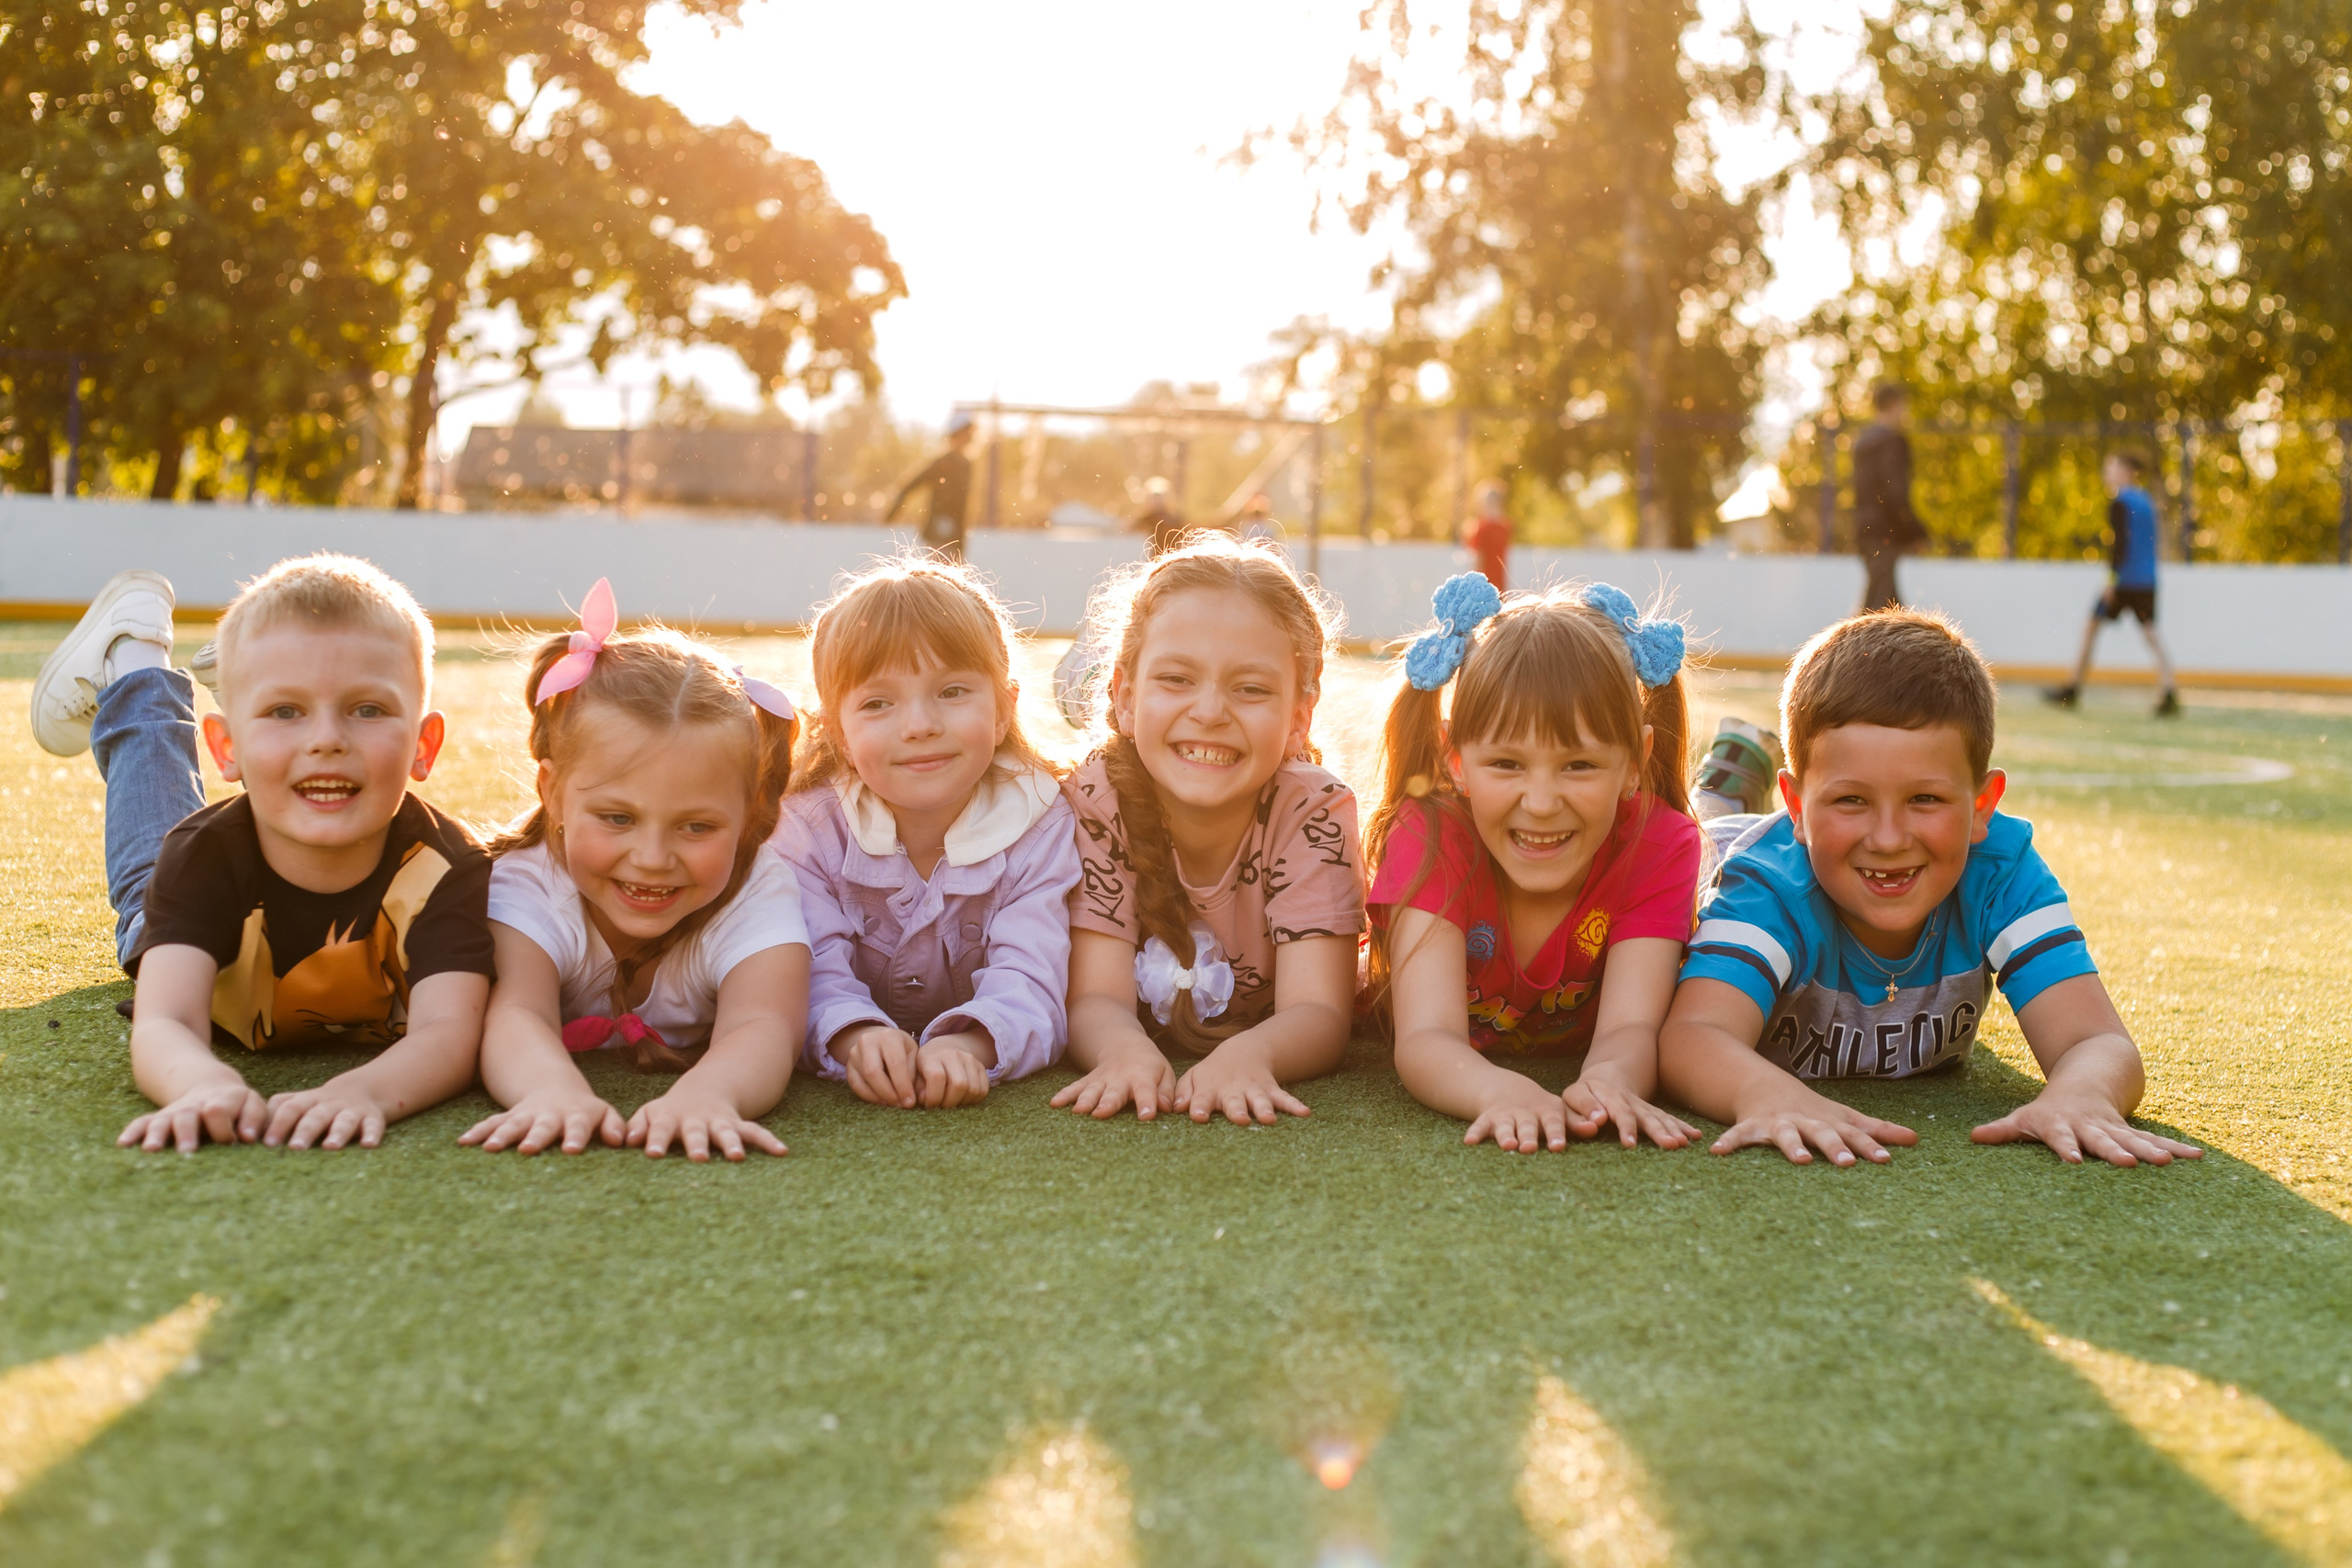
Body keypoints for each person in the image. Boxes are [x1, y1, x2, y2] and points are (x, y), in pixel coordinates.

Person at [1657, 609, 2204, 1169]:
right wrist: (1768, 1095)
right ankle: (1732, 772)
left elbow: (2099, 1043)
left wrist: (2082, 1095)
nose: (1889, 839)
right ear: (1797, 806)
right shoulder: (1767, 889)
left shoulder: (1998, 872)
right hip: (1724, 853)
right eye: (1851, 800)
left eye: (1925, 799)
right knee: (1697, 829)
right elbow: (1691, 1037)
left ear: (1981, 808)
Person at [28, 558, 494, 1154]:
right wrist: (201, 1082)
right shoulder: (199, 858)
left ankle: (236, 691)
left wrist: (366, 1091)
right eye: (287, 710)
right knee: (152, 855)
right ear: (225, 749)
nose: (327, 738)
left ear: (423, 747)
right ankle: (131, 660)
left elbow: (450, 1032)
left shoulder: (449, 869)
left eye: (367, 709)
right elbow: (165, 1020)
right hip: (195, 908)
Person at [461, 580, 809, 1162]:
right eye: (618, 818)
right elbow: (515, 1012)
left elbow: (765, 1026)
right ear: (553, 792)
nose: (652, 857)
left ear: (749, 813)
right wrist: (553, 1091)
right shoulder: (529, 881)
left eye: (696, 827)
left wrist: (709, 1094)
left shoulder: (757, 887)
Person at [1365, 574, 1703, 1154]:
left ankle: (1725, 780)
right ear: (1456, 761)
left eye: (1579, 766)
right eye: (1505, 763)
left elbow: (1629, 1029)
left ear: (1635, 762)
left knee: (1720, 825)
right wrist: (1496, 1092)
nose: (1542, 803)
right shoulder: (1429, 835)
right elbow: (1426, 1038)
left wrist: (1610, 1080)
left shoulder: (1662, 843)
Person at [1051, 537, 1364, 1124]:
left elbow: (1320, 1012)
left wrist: (1252, 1055)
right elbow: (1094, 997)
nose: (1211, 712)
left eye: (1250, 689)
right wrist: (1122, 1050)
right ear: (1124, 695)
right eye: (1176, 679)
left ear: (1300, 715)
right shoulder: (1097, 798)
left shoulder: (1313, 810)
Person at [772, 558, 1082, 1110]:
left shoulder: (1042, 825)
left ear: (1003, 710)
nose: (919, 725)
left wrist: (974, 1042)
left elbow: (1033, 976)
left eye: (952, 691)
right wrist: (852, 1035)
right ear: (839, 734)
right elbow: (803, 968)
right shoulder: (805, 829)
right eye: (878, 703)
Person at [2045, 449, 2180, 717]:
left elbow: (2120, 545)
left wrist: (2111, 581)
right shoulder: (2147, 502)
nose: (2107, 474)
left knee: (2090, 627)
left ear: (2125, 471)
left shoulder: (2120, 502)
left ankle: (2072, 688)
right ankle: (2169, 691)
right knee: (2151, 633)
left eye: (2111, 468)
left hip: (2123, 581)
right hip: (2146, 580)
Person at [1849, 383, 1928, 612]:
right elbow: (1894, 492)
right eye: (1903, 406)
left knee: (1889, 606)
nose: (1905, 412)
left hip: (1865, 530)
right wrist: (1914, 530)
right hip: (1886, 533)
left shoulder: (1862, 444)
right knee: (1877, 609)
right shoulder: (1891, 442)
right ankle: (1846, 647)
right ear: (1894, 404)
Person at [885, 411, 978, 561]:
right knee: (940, 574)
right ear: (957, 434)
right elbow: (911, 485)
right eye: (967, 432)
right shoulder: (944, 463)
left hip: (957, 535)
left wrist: (961, 537)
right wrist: (893, 512)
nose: (971, 436)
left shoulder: (966, 464)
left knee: (952, 576)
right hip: (939, 531)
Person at [1462, 482, 1513, 592]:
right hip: (1500, 586)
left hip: (1482, 587)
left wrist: (1471, 585)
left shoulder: (1481, 528)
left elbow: (1476, 559)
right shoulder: (1505, 526)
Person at [1133, 477, 1189, 557]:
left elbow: (1183, 537)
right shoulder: (1147, 519)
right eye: (1155, 498)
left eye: (1159, 498)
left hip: (1171, 556)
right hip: (1154, 557)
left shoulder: (1174, 519)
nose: (1157, 501)